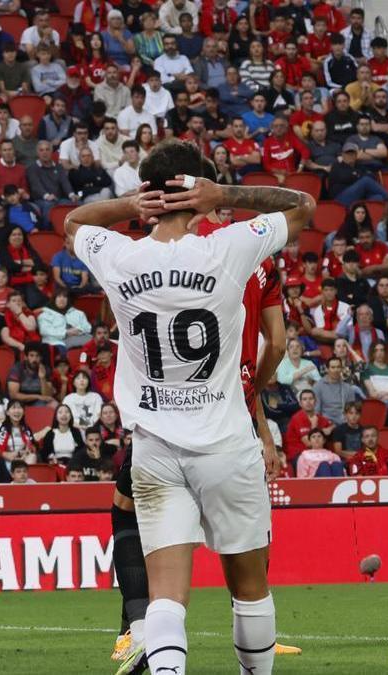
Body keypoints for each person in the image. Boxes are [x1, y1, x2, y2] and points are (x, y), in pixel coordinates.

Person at [67, 139, 313, 674]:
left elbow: (72, 222)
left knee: (165, 597)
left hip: (154, 451)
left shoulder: (119, 255)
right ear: (197, 190)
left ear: (151, 190)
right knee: (250, 588)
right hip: (226, 442)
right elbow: (302, 206)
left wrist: (128, 207)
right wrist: (225, 193)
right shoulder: (228, 247)